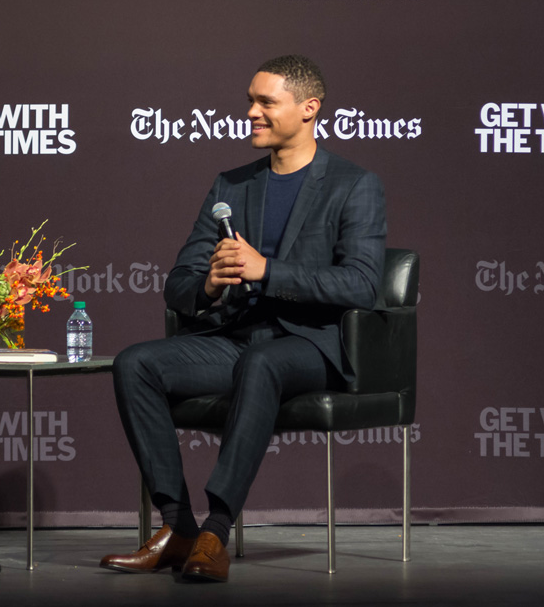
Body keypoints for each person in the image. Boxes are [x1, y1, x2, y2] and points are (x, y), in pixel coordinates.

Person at [100, 55, 386, 582]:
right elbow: (179, 282)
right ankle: (178, 526)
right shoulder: (231, 185)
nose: (251, 112)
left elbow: (363, 284)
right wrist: (210, 283)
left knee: (263, 363)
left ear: (309, 109)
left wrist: (268, 270)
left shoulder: (353, 184)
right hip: (232, 337)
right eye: (249, 102)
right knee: (136, 363)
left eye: (265, 103)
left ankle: (217, 530)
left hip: (308, 344)